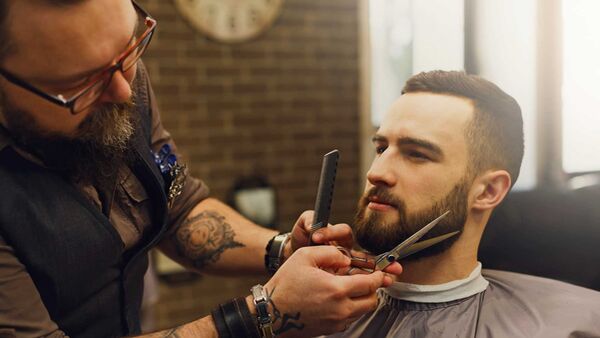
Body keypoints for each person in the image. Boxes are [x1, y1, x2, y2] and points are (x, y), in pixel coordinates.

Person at [0, 1, 402, 337]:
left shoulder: (121, 81)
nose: (124, 91)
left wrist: (283, 249)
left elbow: (178, 206)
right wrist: (262, 313)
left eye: (127, 50)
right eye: (83, 82)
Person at [326, 70, 600, 337]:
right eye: (381, 148)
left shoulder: (571, 326)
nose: (376, 173)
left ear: (488, 191)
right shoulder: (312, 315)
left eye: (417, 154)